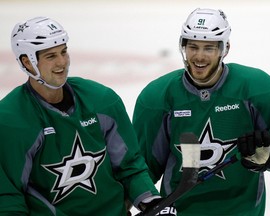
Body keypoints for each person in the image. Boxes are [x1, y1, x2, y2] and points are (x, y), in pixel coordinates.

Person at [0, 16, 176, 216]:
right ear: (27, 62)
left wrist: (151, 201)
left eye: (64, 52)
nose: (62, 62)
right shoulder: (11, 120)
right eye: (50, 56)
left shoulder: (101, 100)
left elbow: (130, 166)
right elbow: (8, 196)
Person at [132, 8, 270, 216]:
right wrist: (149, 202)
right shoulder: (156, 98)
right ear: (183, 47)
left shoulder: (258, 88)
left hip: (242, 211)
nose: (199, 56)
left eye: (209, 48)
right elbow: (140, 167)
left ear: (225, 49)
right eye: (193, 46)